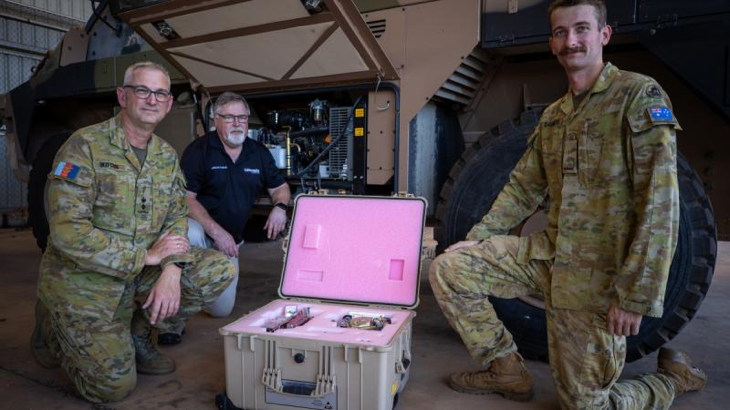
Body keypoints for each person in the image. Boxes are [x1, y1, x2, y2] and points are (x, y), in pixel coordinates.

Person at [429, 0, 706, 408]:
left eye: (581, 29)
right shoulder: (556, 116)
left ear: (603, 34)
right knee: (450, 269)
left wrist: (635, 294)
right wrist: (480, 239)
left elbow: (660, 203)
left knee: (585, 406)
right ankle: (506, 370)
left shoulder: (637, 95)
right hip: (550, 258)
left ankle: (670, 380)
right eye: (561, 32)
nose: (571, 40)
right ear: (552, 43)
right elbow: (523, 189)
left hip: (599, 281)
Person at [30, 61, 236, 404]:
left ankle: (138, 335)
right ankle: (52, 325)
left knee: (217, 269)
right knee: (112, 388)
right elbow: (68, 233)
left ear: (169, 104)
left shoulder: (165, 156)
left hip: (140, 272)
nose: (152, 100)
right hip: (86, 279)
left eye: (160, 93)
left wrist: (171, 269)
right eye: (143, 90)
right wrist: (146, 256)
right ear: (123, 96)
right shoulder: (85, 146)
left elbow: (175, 217)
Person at [156, 91, 291, 345]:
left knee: (221, 311)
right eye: (229, 117)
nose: (237, 123)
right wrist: (216, 232)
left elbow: (280, 187)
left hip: (231, 242)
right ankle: (172, 320)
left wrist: (280, 207)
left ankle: (193, 293)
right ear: (216, 120)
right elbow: (186, 198)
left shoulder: (258, 153)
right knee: (189, 232)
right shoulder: (199, 151)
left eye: (242, 117)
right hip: (203, 233)